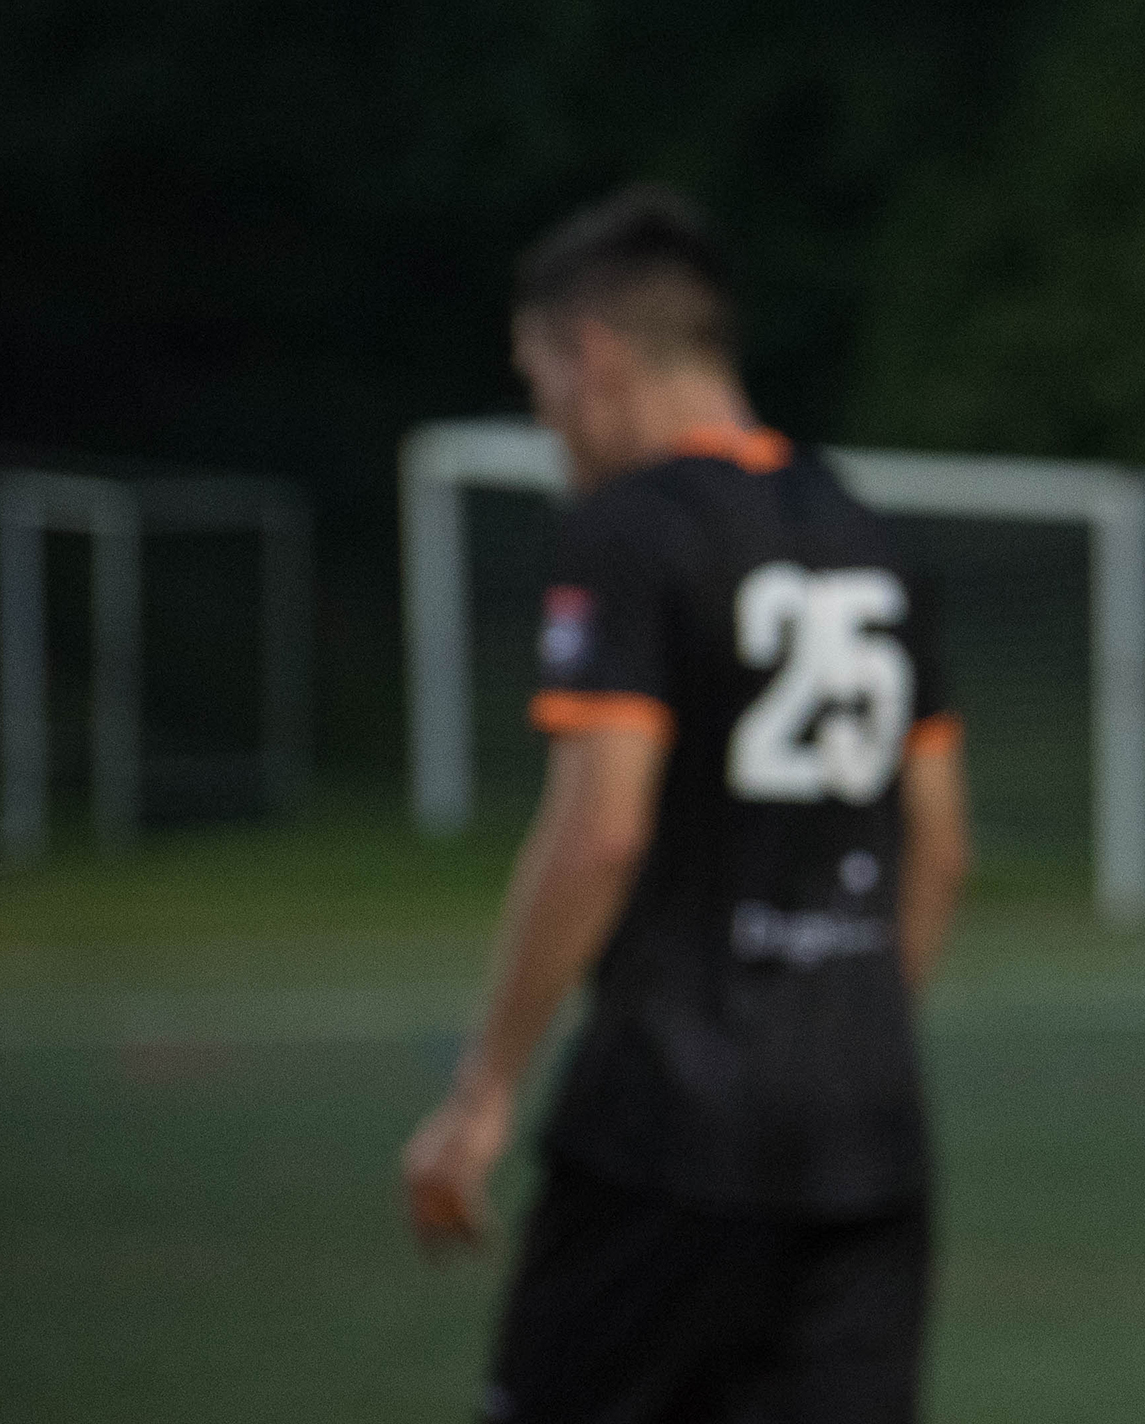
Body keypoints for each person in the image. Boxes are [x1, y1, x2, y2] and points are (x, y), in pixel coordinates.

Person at [401, 186, 971, 1424]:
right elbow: (941, 844)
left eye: (537, 372)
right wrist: (856, 1025)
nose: (543, 414)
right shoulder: (867, 530)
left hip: (668, 1133)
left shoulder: (631, 529)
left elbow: (601, 827)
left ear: (592, 354)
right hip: (866, 1137)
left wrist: (484, 1089)